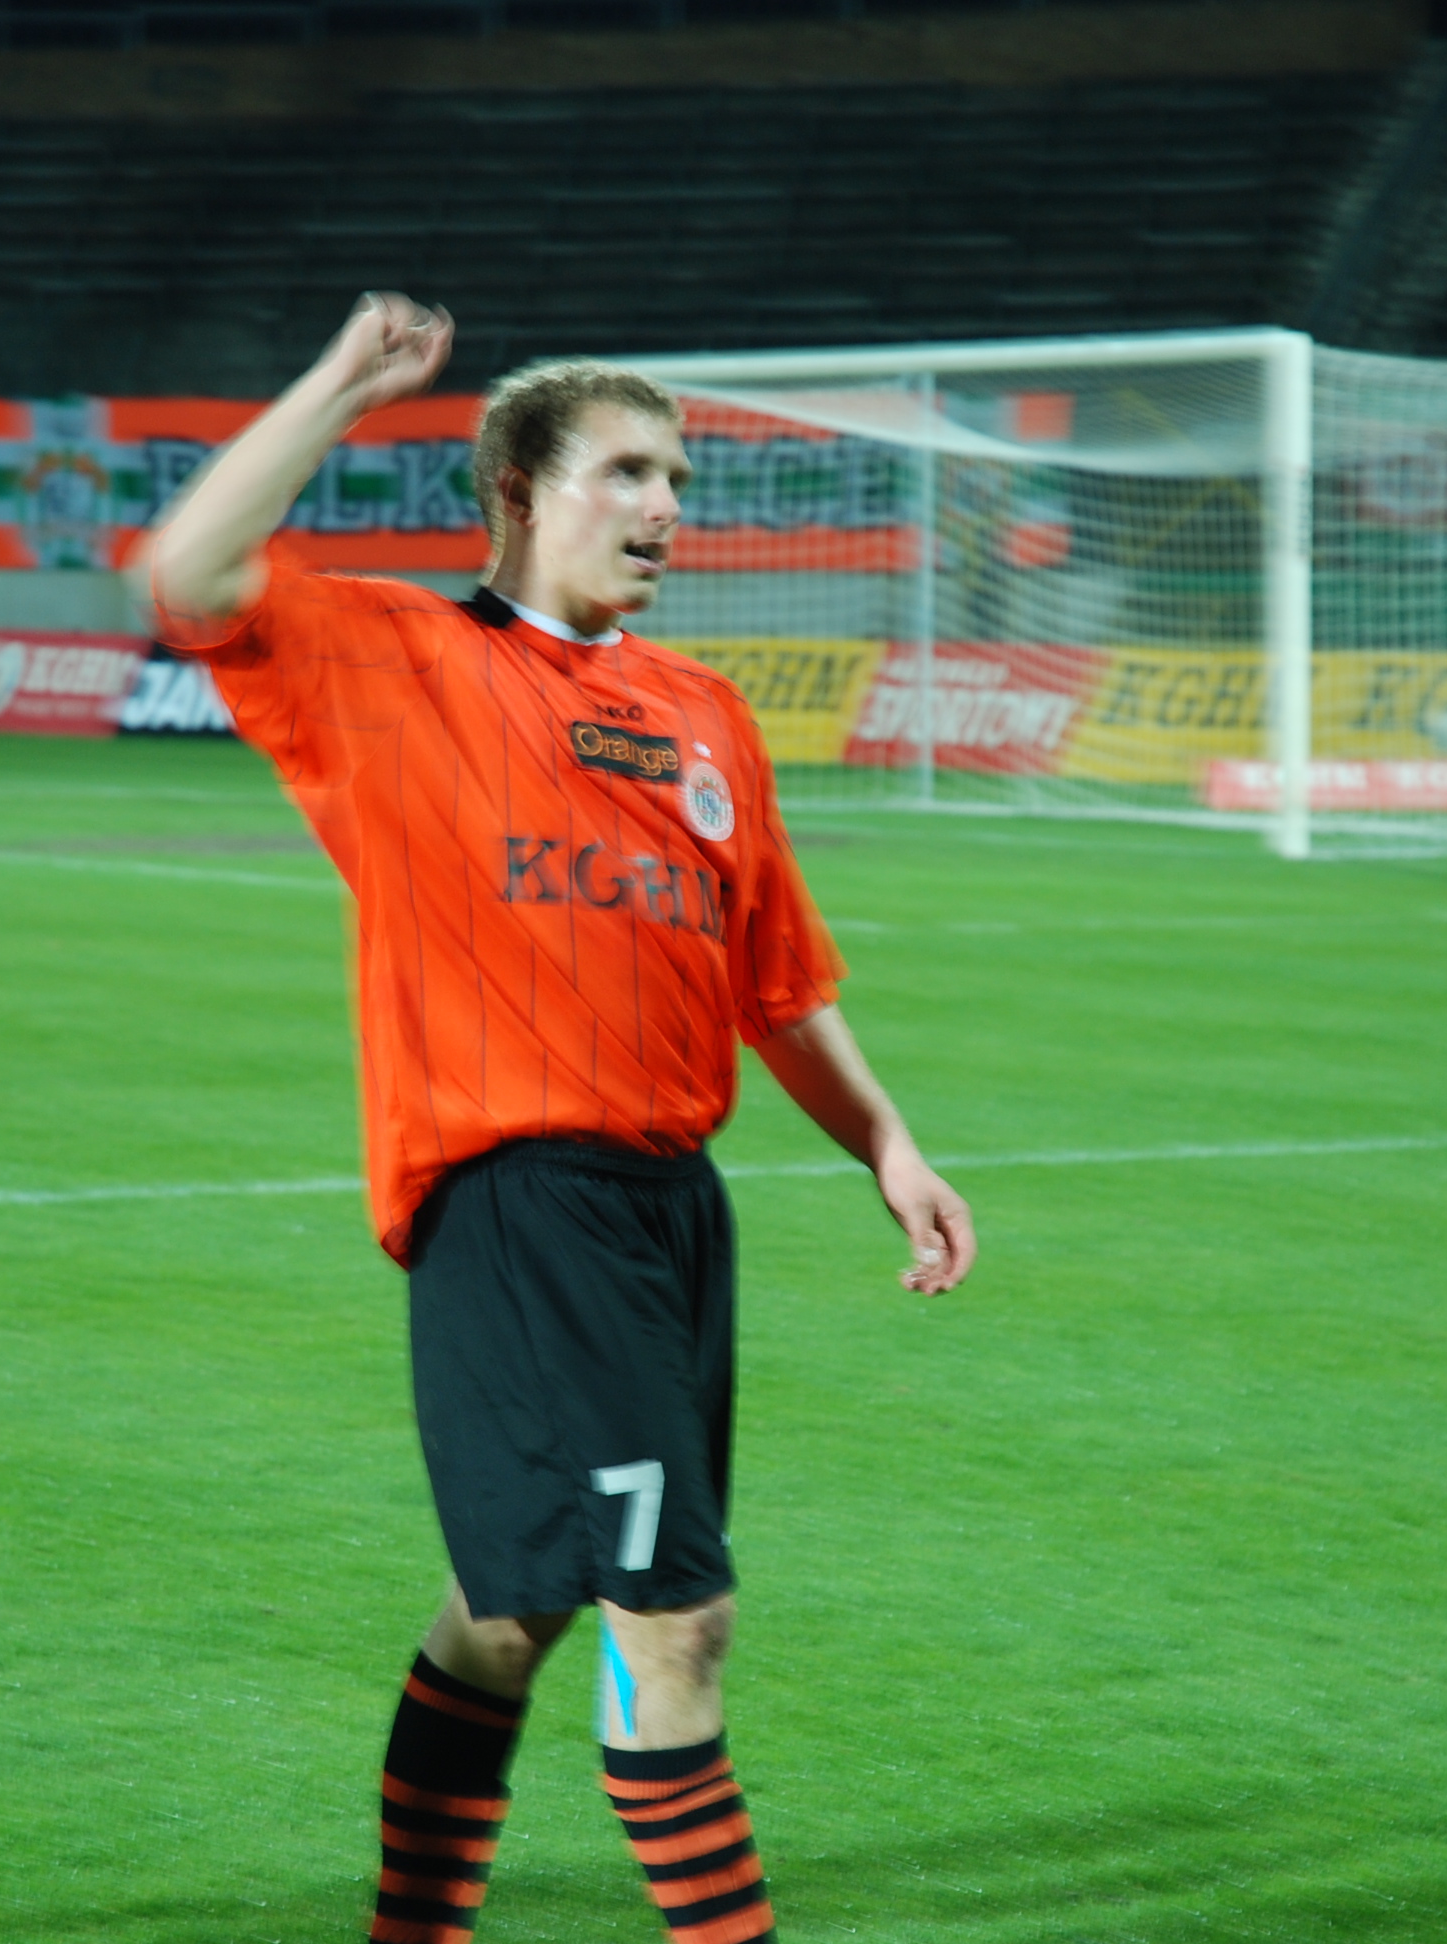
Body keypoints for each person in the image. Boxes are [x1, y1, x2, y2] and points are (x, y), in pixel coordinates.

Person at [141, 292, 976, 1944]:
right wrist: (344, 384)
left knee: (513, 1609)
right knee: (678, 1620)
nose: (666, 508)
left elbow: (777, 980)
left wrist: (888, 1141)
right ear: (518, 492)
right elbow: (188, 575)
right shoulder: (399, 662)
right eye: (627, 473)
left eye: (678, 480)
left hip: (672, 1206)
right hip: (522, 1197)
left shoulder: (705, 714)